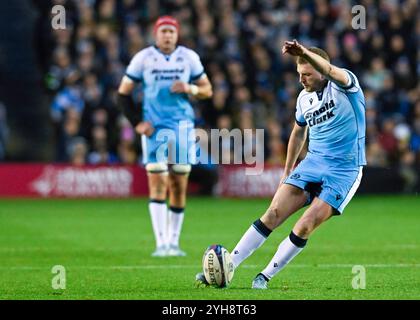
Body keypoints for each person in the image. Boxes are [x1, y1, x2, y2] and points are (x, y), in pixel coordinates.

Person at [196, 40, 366, 288]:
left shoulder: (346, 85)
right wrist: (288, 172)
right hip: (313, 162)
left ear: (320, 69)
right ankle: (227, 266)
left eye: (307, 74)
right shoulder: (303, 99)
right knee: (273, 213)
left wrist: (305, 51)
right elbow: (298, 133)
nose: (302, 80)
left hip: (345, 168)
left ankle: (264, 276)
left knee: (305, 224)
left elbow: (331, 72)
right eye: (299, 74)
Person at [117, 16, 213, 257]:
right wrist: (137, 122)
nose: (167, 35)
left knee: (179, 184)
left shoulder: (189, 58)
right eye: (163, 31)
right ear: (156, 34)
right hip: (155, 129)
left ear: (177, 34)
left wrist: (190, 88)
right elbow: (123, 94)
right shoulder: (143, 58)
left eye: (171, 31)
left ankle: (173, 242)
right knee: (157, 182)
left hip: (182, 126)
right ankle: (160, 244)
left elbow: (207, 90)